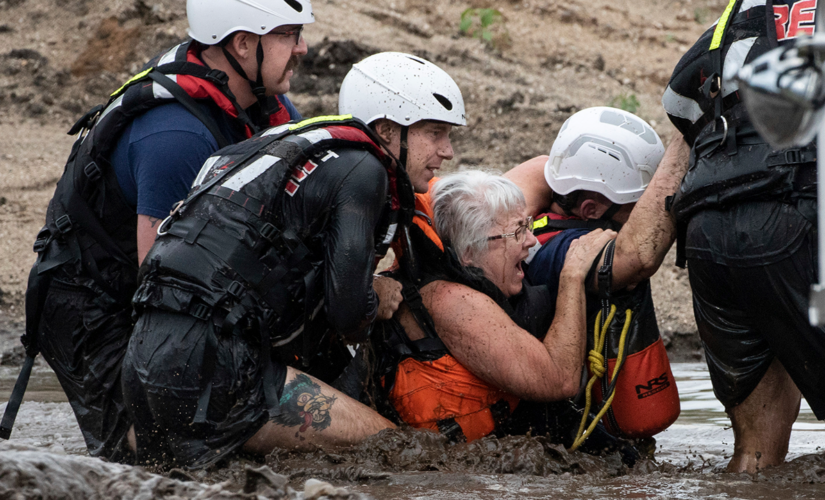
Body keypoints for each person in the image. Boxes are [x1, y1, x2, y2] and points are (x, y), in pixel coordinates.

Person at [121, 52, 467, 468]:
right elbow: (348, 313)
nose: (447, 151)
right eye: (435, 133)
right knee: (401, 453)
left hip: (142, 359)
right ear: (387, 130)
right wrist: (376, 297)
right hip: (213, 368)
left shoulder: (281, 147)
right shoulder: (364, 169)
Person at [4, 0, 312, 461]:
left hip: (161, 291)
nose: (303, 48)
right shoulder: (176, 136)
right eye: (288, 34)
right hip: (94, 312)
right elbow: (165, 290)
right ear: (243, 44)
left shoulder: (261, 102)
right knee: (165, 449)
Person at [663, 0, 823, 472]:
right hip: (802, 218)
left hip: (710, 234)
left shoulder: (726, 26)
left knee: (755, 456)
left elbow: (677, 105)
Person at [366, 170, 615, 444]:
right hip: (456, 468)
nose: (531, 241)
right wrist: (573, 275)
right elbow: (561, 380)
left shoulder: (463, 269)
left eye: (527, 225)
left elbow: (542, 167)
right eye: (518, 231)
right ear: (470, 252)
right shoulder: (454, 301)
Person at [508, 107, 687, 441]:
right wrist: (688, 136)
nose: (643, 214)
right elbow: (639, 256)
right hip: (572, 432)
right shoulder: (560, 250)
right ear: (590, 210)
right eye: (636, 205)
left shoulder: (542, 222)